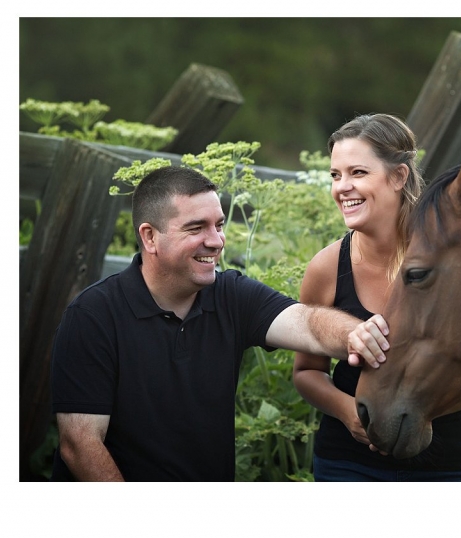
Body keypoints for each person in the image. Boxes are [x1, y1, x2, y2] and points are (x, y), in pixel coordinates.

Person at [50, 165, 390, 482]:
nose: (216, 241)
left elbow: (307, 323)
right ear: (150, 237)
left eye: (219, 225)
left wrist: (354, 334)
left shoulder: (230, 295)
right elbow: (79, 445)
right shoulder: (93, 315)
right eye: (196, 228)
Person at [293, 113, 461, 481]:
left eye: (358, 172)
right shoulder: (326, 267)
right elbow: (307, 371)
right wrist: (349, 412)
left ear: (399, 176)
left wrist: (419, 410)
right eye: (335, 175)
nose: (342, 187)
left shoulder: (455, 258)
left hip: (452, 467)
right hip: (348, 465)